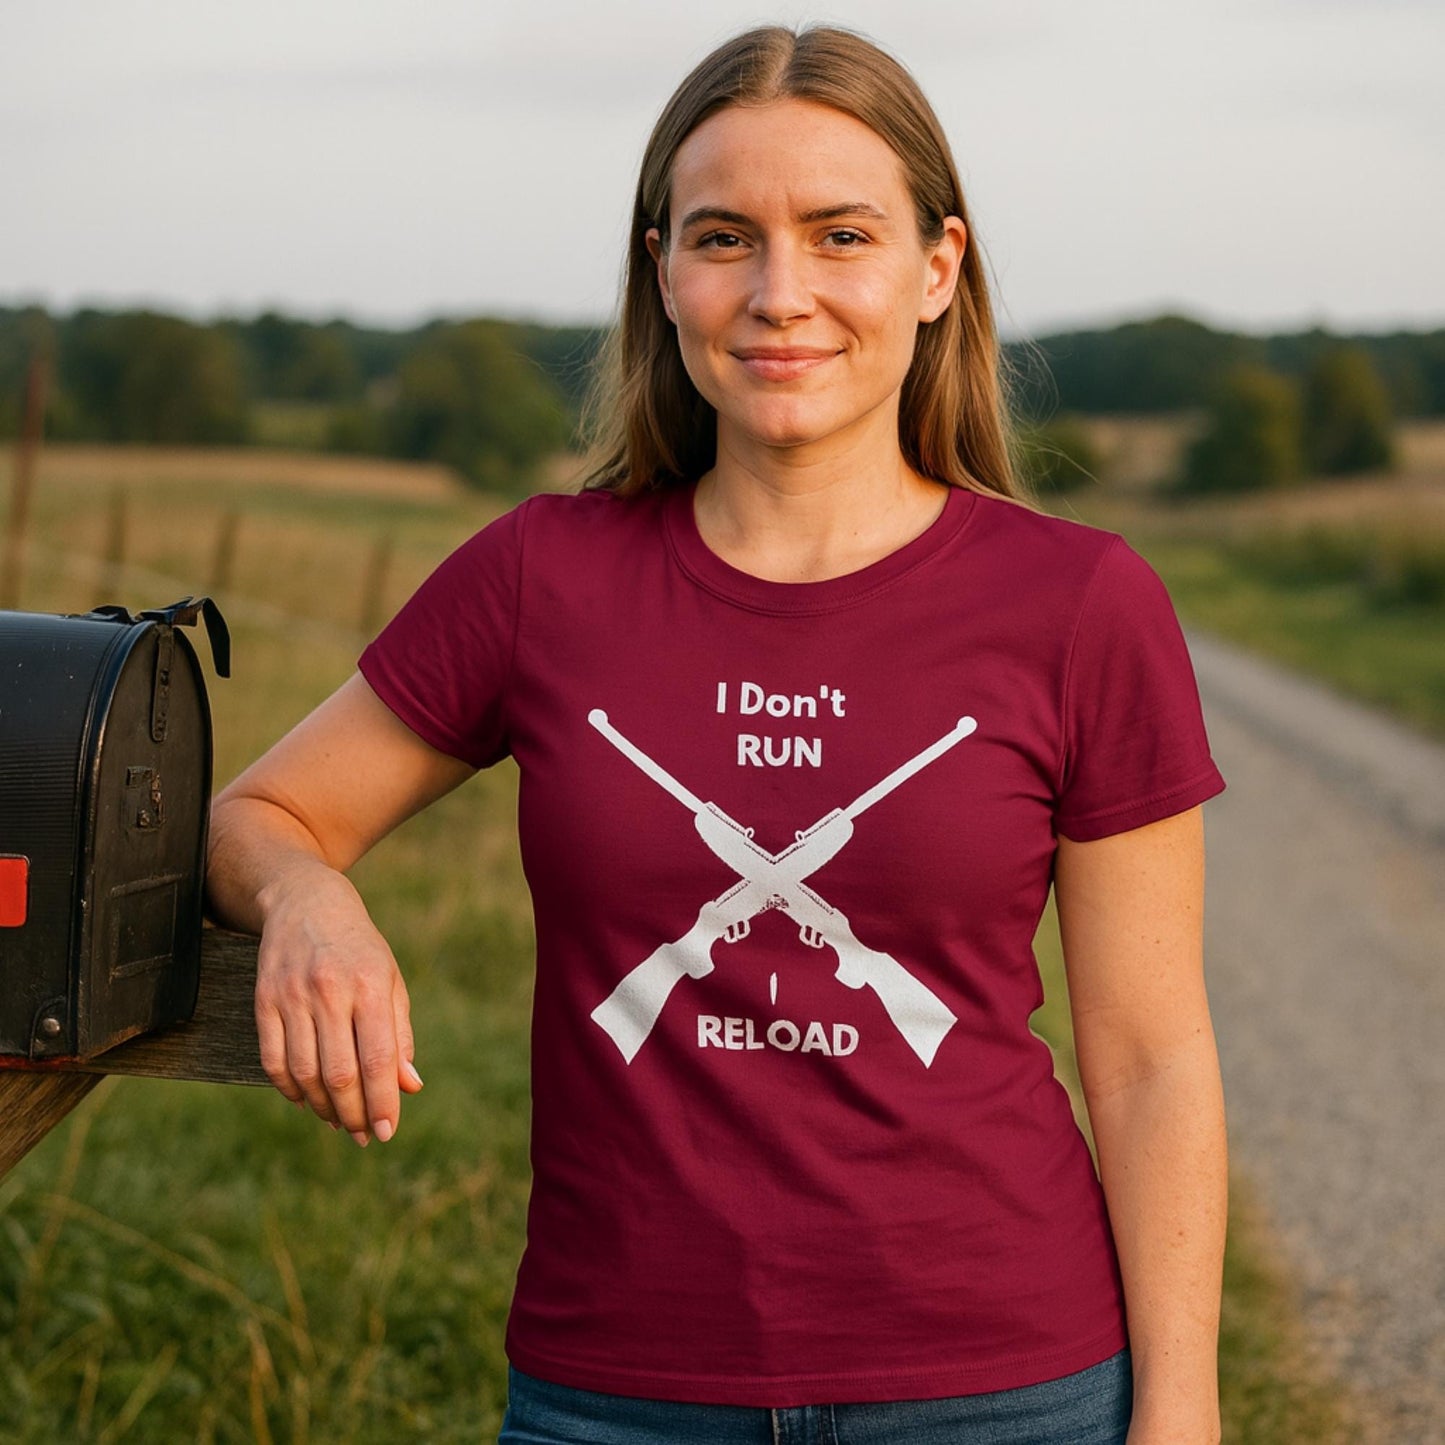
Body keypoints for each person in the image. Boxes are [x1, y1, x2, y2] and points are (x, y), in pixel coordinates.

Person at [205, 24, 1228, 1445]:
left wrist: (1181, 1413)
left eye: (840, 234)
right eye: (724, 237)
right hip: (615, 1385)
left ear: (935, 270)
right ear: (660, 271)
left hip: (1000, 1384)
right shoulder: (536, 577)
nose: (779, 293)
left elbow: (1149, 1055)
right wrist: (308, 895)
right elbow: (259, 816)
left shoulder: (1080, 603)